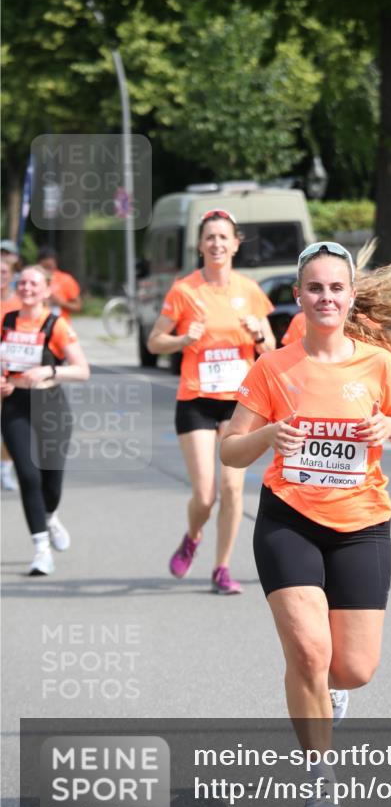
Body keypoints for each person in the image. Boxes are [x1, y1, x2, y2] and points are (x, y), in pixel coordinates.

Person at [221, 240, 391, 807]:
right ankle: (317, 773)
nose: (326, 297)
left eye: (336, 287)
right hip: (288, 519)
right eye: (315, 288)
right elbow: (229, 450)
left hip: (362, 523)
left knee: (352, 667)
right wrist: (270, 435)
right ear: (298, 296)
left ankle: (332, 693)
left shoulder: (377, 364)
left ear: (351, 297)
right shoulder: (273, 367)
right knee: (308, 649)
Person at [147, 209, 276, 594]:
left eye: (224, 237)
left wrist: (257, 335)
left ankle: (222, 568)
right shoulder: (184, 290)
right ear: (200, 245)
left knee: (234, 489)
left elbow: (271, 349)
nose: (217, 243)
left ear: (236, 244)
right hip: (197, 400)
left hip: (240, 403)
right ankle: (193, 535)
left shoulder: (250, 290)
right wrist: (183, 340)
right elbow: (154, 341)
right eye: (210, 237)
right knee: (205, 496)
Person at [0, 265, 90, 575]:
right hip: (15, 405)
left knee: (52, 480)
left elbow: (82, 370)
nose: (26, 288)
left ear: (46, 290)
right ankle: (41, 549)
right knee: (28, 475)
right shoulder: (6, 321)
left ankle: (49, 516)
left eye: (33, 283)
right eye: (22, 282)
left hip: (51, 406)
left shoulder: (56, 325)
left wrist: (49, 371)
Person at [0, 257, 22, 491]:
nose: (1, 275)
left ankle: (5, 469)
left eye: (4, 271)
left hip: (11, 366)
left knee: (9, 420)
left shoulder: (18, 302)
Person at [37, 247, 82, 320]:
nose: (48, 272)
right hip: (37, 326)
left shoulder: (66, 279)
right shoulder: (31, 280)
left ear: (56, 263)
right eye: (45, 267)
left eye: (50, 267)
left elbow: (78, 306)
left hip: (61, 326)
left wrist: (62, 303)